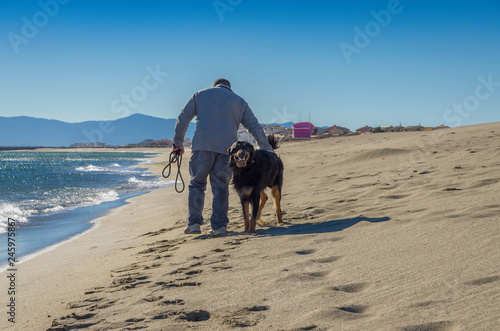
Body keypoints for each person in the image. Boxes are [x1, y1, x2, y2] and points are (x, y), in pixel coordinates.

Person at [173, 78, 273, 236]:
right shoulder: (239, 101)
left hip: (202, 147)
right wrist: (266, 147)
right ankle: (219, 227)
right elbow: (254, 125)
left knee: (197, 185)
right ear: (229, 88)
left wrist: (178, 142)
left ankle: (194, 224)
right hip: (228, 151)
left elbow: (183, 117)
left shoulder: (200, 95)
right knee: (220, 187)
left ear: (215, 85)